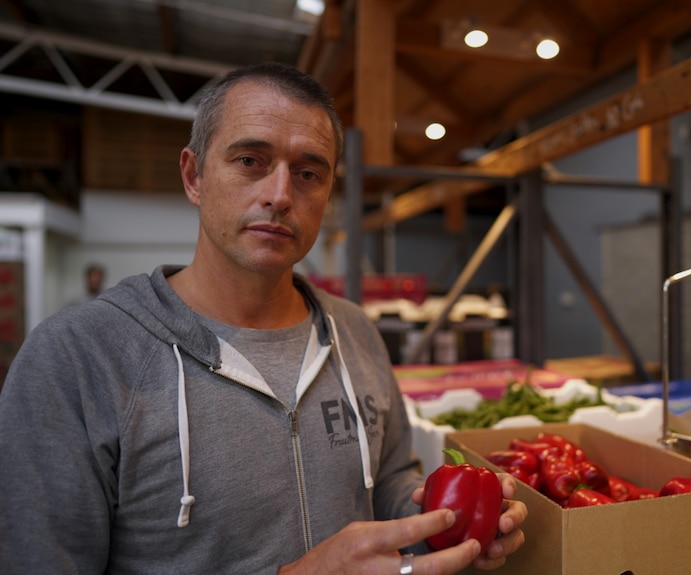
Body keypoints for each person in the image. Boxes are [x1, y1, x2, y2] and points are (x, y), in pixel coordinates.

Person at [0, 62, 526, 574]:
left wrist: (446, 525)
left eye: (308, 173)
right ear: (194, 176)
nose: (279, 195)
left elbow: (388, 480)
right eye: (250, 160)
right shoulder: (75, 358)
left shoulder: (354, 332)